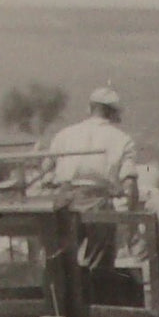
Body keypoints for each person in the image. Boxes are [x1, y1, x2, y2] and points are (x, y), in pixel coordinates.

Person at [48, 87, 138, 268]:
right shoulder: (123, 139)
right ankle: (96, 292)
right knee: (99, 261)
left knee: (61, 259)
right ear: (114, 114)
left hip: (65, 200)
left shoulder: (64, 134)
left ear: (89, 109)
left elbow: (47, 171)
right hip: (98, 201)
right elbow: (129, 184)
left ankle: (63, 292)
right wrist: (132, 222)